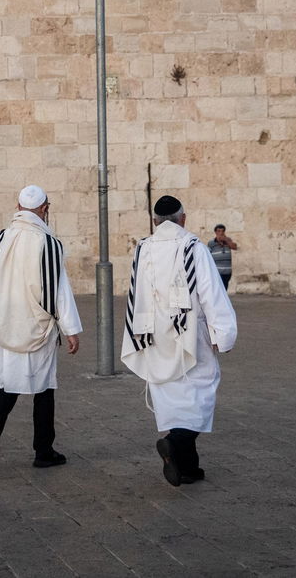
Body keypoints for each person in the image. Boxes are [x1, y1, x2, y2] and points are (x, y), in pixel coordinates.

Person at [121, 195, 237, 487]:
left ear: (155, 222)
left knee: (171, 397)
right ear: (183, 218)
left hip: (153, 333)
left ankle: (187, 468)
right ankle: (174, 442)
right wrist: (223, 334)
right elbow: (211, 293)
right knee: (200, 393)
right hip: (189, 334)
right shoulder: (193, 247)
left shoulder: (143, 248)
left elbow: (136, 293)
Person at [0, 185, 82, 473]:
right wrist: (70, 329)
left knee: (9, 384)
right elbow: (60, 290)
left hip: (6, 324)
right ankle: (43, 450)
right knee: (44, 387)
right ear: (45, 209)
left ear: (18, 206)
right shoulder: (48, 243)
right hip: (38, 326)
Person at [207, 224, 237, 292]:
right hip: (217, 271)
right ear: (215, 232)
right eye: (219, 231)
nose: (221, 233)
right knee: (220, 290)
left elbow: (234, 247)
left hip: (227, 271)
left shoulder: (228, 241)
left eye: (222, 231)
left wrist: (226, 240)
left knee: (224, 290)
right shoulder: (211, 243)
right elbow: (208, 255)